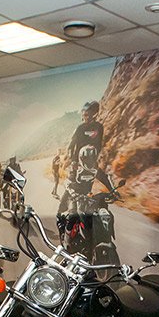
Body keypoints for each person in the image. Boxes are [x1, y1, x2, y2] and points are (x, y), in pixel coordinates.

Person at [58, 101, 112, 238]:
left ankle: (87, 230)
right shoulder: (80, 128)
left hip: (91, 161)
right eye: (84, 114)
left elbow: (99, 144)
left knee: (87, 198)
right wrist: (73, 161)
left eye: (87, 114)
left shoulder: (99, 127)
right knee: (67, 201)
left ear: (94, 114)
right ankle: (62, 224)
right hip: (77, 164)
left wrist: (94, 160)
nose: (85, 116)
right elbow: (71, 146)